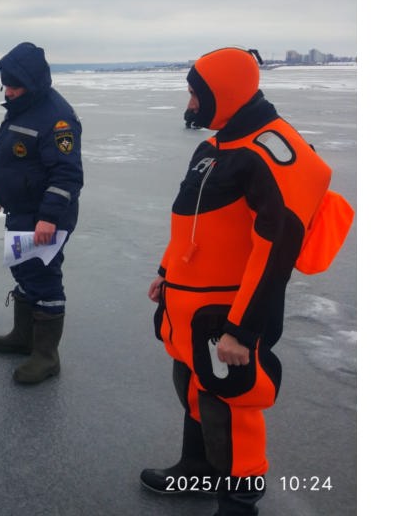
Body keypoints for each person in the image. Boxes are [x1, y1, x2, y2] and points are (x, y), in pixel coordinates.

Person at [141, 47, 335, 515]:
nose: (189, 106)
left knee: (232, 401)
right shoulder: (215, 147)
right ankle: (198, 469)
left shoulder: (268, 151)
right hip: (191, 309)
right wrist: (167, 273)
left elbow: (278, 249)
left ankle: (240, 498)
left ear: (222, 94)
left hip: (229, 314)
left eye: (194, 95)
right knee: (192, 384)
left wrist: (242, 329)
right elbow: (191, 221)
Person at [0, 42, 83, 385]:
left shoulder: (57, 119)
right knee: (24, 269)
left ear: (33, 82)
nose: (9, 92)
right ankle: (23, 337)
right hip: (21, 210)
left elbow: (67, 175)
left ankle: (46, 356)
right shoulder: (22, 108)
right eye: (6, 85)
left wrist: (49, 217)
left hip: (44, 215)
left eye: (15, 85)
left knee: (43, 277)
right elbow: (10, 156)